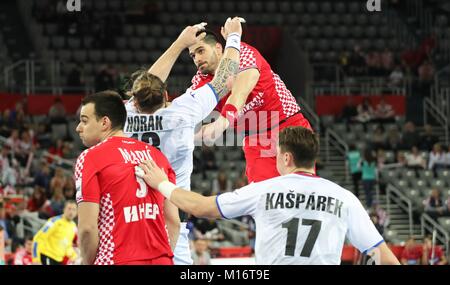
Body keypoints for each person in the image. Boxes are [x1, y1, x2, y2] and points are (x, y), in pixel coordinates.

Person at [137, 127, 400, 265]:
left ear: (286, 157)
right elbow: (383, 257)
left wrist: (162, 184)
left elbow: (201, 207)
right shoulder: (344, 198)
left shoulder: (265, 189)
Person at [123, 18, 243, 265]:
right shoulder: (182, 111)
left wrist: (178, 44)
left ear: (135, 98)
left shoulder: (125, 115)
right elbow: (224, 79)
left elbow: (144, 86)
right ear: (166, 95)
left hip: (130, 211)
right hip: (172, 210)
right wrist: (233, 37)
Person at [188, 23, 312, 184]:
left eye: (201, 51)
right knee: (263, 198)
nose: (197, 58)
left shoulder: (244, 52)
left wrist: (221, 123)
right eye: (192, 56)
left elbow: (240, 92)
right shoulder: (199, 80)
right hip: (256, 139)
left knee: (302, 190)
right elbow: (182, 110)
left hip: (290, 126)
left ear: (218, 48)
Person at [74, 91, 180, 265]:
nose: (78, 127)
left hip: (117, 259)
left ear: (104, 122)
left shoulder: (91, 158)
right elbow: (174, 222)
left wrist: (86, 262)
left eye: (84, 121)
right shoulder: (158, 156)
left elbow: (87, 228)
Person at [31, 200, 78, 265]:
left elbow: (67, 245)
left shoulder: (73, 226)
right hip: (47, 256)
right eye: (69, 208)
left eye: (74, 209)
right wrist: (36, 259)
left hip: (58, 260)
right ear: (64, 209)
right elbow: (38, 238)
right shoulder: (54, 221)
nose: (71, 212)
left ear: (77, 212)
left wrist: (74, 256)